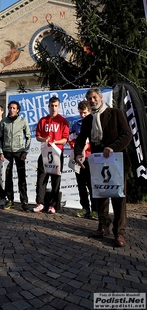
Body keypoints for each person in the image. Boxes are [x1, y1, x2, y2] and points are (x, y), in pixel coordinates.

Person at [74, 88, 132, 247]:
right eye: (89, 98)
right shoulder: (88, 120)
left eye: (94, 97)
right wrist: (78, 155)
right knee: (100, 196)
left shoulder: (115, 113)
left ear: (100, 97)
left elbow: (127, 134)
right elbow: (80, 140)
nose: (92, 100)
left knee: (119, 198)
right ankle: (103, 226)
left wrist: (112, 147)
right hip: (97, 161)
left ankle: (119, 233)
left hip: (116, 161)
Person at [33, 96, 69, 214]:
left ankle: (53, 205)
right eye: (51, 106)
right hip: (44, 154)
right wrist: (45, 139)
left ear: (58, 106)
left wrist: (55, 142)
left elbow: (65, 139)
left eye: (56, 106)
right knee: (41, 179)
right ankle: (40, 203)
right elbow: (38, 137)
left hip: (57, 154)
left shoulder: (63, 121)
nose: (53, 108)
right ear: (48, 106)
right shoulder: (43, 120)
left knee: (55, 180)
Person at [0, 100, 31, 212]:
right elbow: (0, 138)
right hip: (7, 152)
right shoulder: (4, 121)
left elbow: (28, 136)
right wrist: (1, 152)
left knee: (21, 178)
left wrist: (25, 151)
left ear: (17, 110)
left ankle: (24, 202)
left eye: (13, 108)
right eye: (10, 108)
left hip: (19, 152)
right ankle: (10, 200)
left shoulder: (22, 121)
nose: (11, 110)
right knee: (7, 178)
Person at [69, 100, 98, 220]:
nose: (82, 115)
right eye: (81, 113)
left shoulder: (95, 123)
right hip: (78, 159)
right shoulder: (76, 124)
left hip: (91, 158)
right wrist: (77, 149)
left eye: (85, 113)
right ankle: (85, 208)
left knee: (92, 185)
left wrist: (86, 147)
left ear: (90, 111)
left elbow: (97, 141)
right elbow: (70, 139)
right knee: (81, 184)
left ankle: (95, 210)